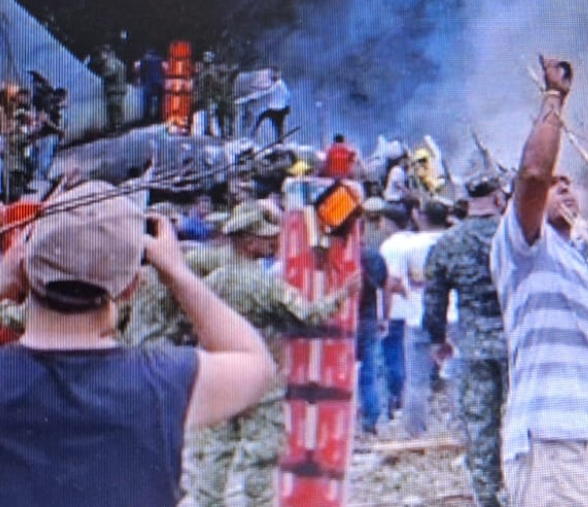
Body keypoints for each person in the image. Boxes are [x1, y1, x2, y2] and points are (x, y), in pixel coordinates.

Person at [0, 180, 275, 507]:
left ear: (24, 267)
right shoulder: (162, 383)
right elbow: (256, 362)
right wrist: (176, 273)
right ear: (130, 287)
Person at [490, 56, 588, 507]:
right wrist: (554, 97)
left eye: (569, 183)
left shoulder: (576, 259)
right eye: (556, 183)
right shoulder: (525, 246)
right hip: (558, 443)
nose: (564, 186)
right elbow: (533, 173)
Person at [190, 201, 360, 507]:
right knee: (261, 451)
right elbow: (308, 315)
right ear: (247, 241)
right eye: (264, 237)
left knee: (218, 448)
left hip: (220, 372)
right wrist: (342, 295)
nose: (271, 242)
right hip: (261, 374)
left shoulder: (212, 281)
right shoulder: (264, 284)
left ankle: (208, 502)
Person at [423, 173, 509, 507]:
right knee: (521, 421)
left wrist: (438, 339)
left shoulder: (448, 242)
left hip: (474, 345)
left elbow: (434, 300)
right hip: (518, 344)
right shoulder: (512, 234)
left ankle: (487, 496)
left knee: (480, 425)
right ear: (498, 198)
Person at [381, 199, 450, 435]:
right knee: (458, 375)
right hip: (453, 314)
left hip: (417, 315)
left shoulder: (408, 246)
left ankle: (414, 429)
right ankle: (460, 427)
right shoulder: (454, 241)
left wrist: (409, 294)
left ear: (421, 217)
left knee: (416, 379)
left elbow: (394, 281)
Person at [356, 197, 394, 436]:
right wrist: (385, 317)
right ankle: (372, 418)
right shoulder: (373, 255)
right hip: (368, 318)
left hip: (339, 321)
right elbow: (386, 287)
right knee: (370, 371)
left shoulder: (334, 255)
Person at [251, 67, 291, 142]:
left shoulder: (279, 84)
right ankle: (253, 135)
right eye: (273, 73)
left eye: (276, 73)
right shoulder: (275, 83)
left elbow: (287, 95)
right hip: (273, 109)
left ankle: (281, 141)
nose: (274, 75)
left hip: (279, 111)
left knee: (278, 126)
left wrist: (287, 107)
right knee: (261, 118)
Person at [97, 45, 128, 133]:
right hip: (120, 88)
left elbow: (111, 73)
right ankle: (120, 127)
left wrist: (103, 73)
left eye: (103, 53)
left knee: (113, 110)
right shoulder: (119, 62)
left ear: (107, 53)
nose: (101, 55)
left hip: (113, 89)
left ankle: (116, 129)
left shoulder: (110, 62)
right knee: (118, 109)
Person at [137, 47, 166, 123]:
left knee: (147, 100)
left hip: (148, 82)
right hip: (159, 82)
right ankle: (159, 116)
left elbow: (140, 70)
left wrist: (141, 80)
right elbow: (164, 70)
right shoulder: (160, 60)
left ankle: (147, 117)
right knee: (160, 100)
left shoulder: (144, 60)